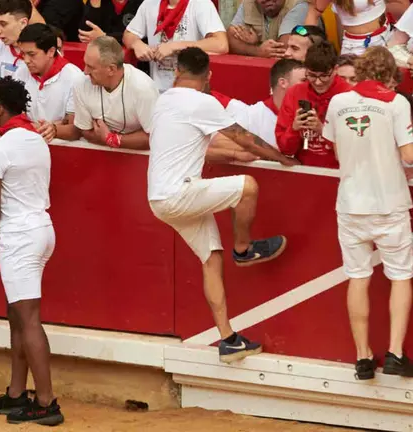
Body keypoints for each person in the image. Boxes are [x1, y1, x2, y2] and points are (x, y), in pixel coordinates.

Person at [148, 47, 298, 363]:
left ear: (177, 72)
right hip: (180, 194)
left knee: (212, 257)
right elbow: (244, 138)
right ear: (209, 77)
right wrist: (279, 157)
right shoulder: (204, 102)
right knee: (248, 186)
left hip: (160, 198)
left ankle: (228, 338)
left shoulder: (163, 100)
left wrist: (236, 155)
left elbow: (197, 146)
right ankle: (243, 249)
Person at [0, 76, 64, 426]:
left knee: (27, 319)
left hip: (18, 237)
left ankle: (46, 403)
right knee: (18, 315)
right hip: (42, 230)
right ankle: (16, 394)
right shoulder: (35, 140)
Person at [322, 46, 413, 379]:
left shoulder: (337, 102)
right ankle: (395, 353)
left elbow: (334, 148)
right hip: (389, 204)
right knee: (400, 277)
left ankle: (363, 358)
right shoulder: (396, 103)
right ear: (390, 76)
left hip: (350, 204)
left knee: (357, 278)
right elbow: (409, 155)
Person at [275, 40, 353, 167]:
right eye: (311, 75)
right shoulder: (295, 92)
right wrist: (294, 128)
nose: (318, 82)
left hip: (339, 171)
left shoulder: (350, 95)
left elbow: (354, 149)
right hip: (304, 169)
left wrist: (322, 130)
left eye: (324, 76)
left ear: (336, 70)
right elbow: (285, 149)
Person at [74, 36, 160, 150]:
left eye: (91, 67)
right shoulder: (81, 83)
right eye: (85, 64)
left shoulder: (143, 88)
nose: (85, 72)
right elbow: (85, 132)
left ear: (111, 69)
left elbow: (154, 137)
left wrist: (110, 138)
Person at [123, 0, 229, 92]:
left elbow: (221, 44)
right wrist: (137, 44)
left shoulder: (200, 4)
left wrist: (176, 46)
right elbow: (128, 34)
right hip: (156, 90)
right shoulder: (149, 3)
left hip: (190, 91)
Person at [13, 23, 84, 141]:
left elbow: (77, 129)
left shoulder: (75, 77)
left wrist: (54, 129)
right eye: (23, 54)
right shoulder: (21, 71)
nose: (26, 60)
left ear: (51, 51)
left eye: (31, 54)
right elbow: (11, 113)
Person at [304, 0, 406, 55]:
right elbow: (314, 12)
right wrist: (303, 43)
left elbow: (403, 5)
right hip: (355, 47)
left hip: (388, 37)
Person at [226, 0, 309, 58]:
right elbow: (230, 39)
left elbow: (285, 49)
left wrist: (255, 45)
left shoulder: (298, 5)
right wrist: (258, 51)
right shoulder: (248, 3)